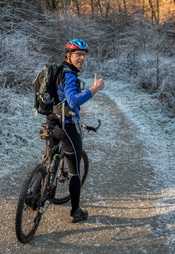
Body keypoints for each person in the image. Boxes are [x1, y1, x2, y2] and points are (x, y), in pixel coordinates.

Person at [51, 39, 105, 223]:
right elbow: (73, 101)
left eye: (83, 55)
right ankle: (75, 211)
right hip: (66, 126)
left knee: (50, 160)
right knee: (74, 171)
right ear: (68, 55)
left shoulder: (57, 70)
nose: (81, 58)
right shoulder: (69, 75)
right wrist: (94, 89)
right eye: (77, 54)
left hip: (51, 122)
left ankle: (37, 193)